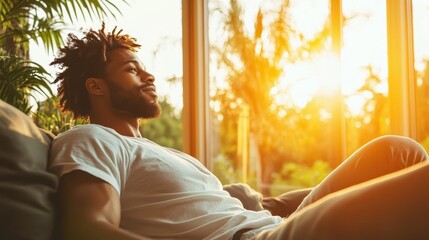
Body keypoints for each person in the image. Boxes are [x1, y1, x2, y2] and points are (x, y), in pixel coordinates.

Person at [49, 23, 429, 240]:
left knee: (397, 152)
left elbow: (242, 207)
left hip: (273, 225)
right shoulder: (91, 140)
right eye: (131, 69)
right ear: (96, 86)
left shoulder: (160, 152)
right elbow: (87, 229)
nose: (148, 74)